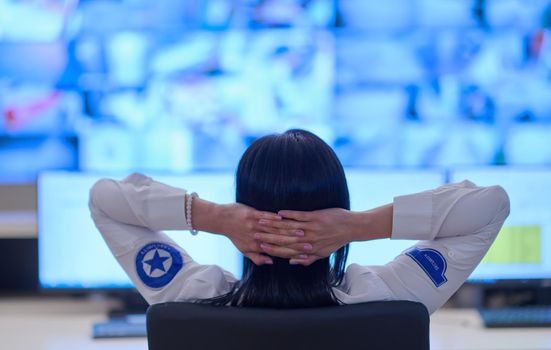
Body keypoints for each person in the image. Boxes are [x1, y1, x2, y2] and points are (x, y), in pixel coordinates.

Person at [89, 129, 510, 314]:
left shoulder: (189, 298)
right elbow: (489, 206)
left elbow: (105, 200)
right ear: (338, 204)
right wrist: (358, 226)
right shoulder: (392, 298)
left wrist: (215, 217)